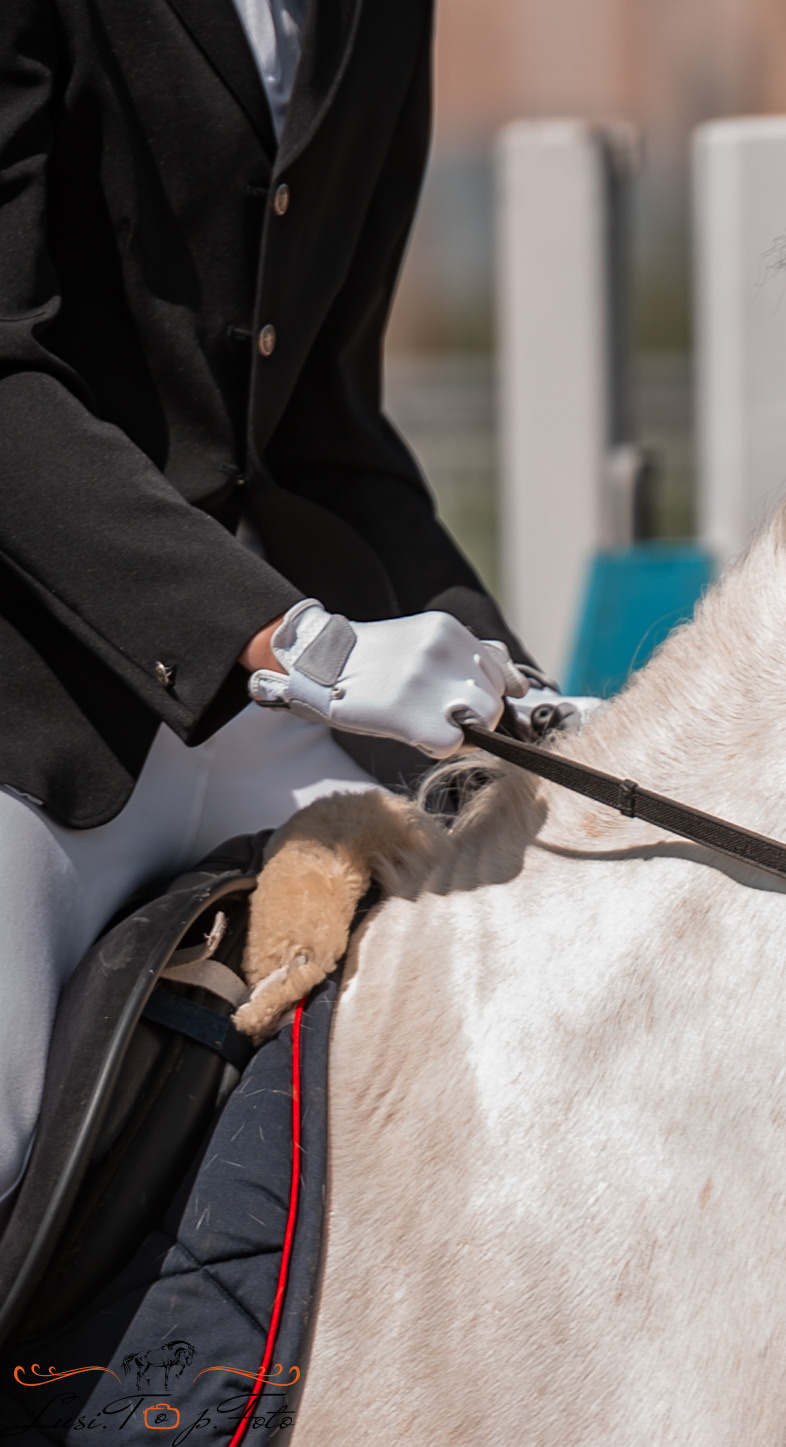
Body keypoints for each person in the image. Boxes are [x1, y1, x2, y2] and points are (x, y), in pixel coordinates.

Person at [0, 0, 570, 1205]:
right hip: (33, 699)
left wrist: (525, 698)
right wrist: (290, 640)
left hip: (281, 685)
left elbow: (317, 419)